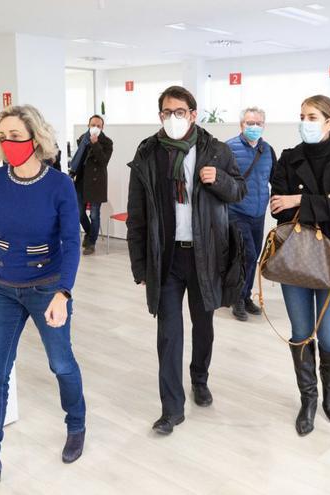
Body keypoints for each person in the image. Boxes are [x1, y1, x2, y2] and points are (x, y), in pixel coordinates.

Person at [0, 105, 86, 492]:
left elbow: (71, 242)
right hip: (5, 287)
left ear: (35, 139)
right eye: (3, 136)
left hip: (48, 286)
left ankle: (75, 425)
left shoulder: (59, 184)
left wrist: (64, 292)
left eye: (16, 136)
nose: (9, 143)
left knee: (61, 363)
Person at [126, 86, 246, 435]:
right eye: (166, 112)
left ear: (193, 114)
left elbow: (240, 190)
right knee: (168, 333)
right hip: (165, 258)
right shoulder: (148, 153)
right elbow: (137, 214)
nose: (172, 118)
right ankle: (171, 409)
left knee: (203, 325)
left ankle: (199, 378)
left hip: (205, 255)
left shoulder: (216, 150)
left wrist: (219, 179)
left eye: (179, 112)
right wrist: (140, 265)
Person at [269, 95, 330, 437]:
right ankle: (308, 398)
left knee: (329, 334)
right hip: (294, 255)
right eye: (302, 116)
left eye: (312, 116)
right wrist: (327, 207)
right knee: (299, 332)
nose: (305, 121)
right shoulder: (288, 158)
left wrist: (299, 201)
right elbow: (278, 208)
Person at [225, 106, 276, 321]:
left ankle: (245, 296)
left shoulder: (267, 150)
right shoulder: (229, 148)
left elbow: (276, 178)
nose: (253, 127)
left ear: (263, 126)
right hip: (236, 212)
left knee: (253, 257)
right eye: (249, 123)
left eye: (258, 123)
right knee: (246, 254)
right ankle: (237, 298)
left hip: (258, 213)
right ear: (241, 125)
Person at [70, 115, 113, 255]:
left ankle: (91, 243)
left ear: (102, 127)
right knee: (80, 213)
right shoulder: (82, 139)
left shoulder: (107, 143)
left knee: (94, 215)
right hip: (81, 181)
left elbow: (103, 161)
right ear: (88, 125)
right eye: (93, 124)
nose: (95, 127)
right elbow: (78, 159)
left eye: (98, 126)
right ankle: (90, 234)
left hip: (96, 183)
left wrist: (95, 144)